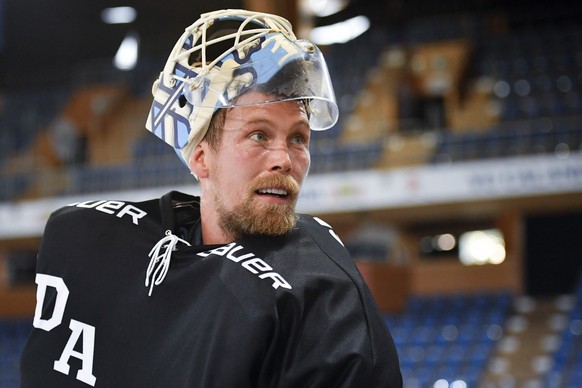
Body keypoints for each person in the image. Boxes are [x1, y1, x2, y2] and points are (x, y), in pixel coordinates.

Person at [20, 9, 402, 387]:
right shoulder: (92, 238)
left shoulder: (322, 294)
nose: (285, 160)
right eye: (259, 135)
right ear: (201, 157)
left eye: (298, 138)